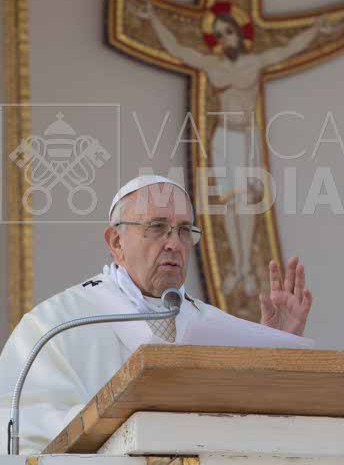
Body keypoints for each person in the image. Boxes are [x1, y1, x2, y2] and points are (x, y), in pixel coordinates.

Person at [0, 174, 313, 454]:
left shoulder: (214, 325)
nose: (174, 243)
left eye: (184, 231)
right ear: (116, 242)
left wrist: (275, 349)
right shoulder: (57, 324)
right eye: (158, 227)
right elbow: (22, 427)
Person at [138, 1, 339, 296]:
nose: (225, 39)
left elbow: (289, 49)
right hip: (222, 138)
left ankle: (245, 267)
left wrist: (316, 29)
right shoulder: (213, 65)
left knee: (247, 202)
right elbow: (178, 49)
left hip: (246, 137)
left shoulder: (255, 62)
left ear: (240, 33)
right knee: (230, 204)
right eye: (219, 35)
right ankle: (238, 269)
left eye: (229, 32)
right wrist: (154, 18)